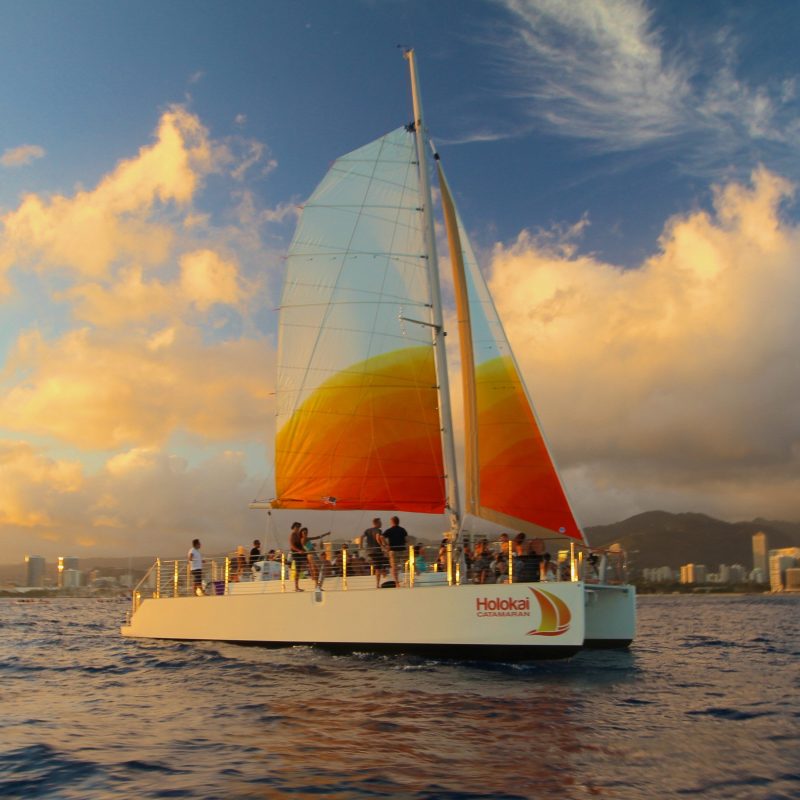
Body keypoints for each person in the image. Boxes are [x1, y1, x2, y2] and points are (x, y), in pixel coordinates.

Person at [361, 517, 387, 588]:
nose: (381, 523)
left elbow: (361, 537)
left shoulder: (367, 530)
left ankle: (381, 576)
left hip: (369, 552)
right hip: (377, 551)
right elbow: (378, 537)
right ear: (377, 523)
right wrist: (382, 545)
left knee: (378, 567)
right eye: (380, 522)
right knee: (382, 564)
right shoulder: (378, 530)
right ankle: (378, 583)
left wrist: (361, 546)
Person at [382, 516, 408, 586]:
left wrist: (386, 545)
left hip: (393, 551)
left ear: (392, 522)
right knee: (407, 563)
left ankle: (396, 582)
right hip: (402, 550)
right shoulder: (403, 530)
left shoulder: (389, 530)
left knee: (394, 567)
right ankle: (412, 575)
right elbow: (406, 540)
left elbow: (382, 537)